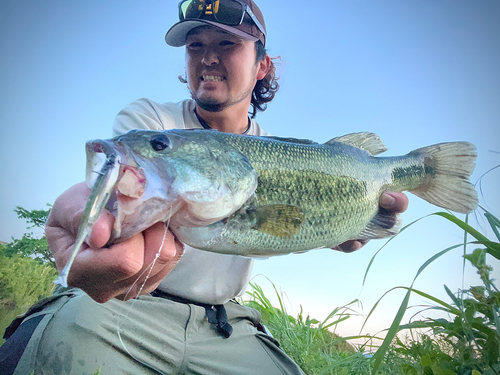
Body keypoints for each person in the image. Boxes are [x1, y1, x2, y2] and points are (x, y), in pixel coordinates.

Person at [0, 1, 409, 374]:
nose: (208, 57)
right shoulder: (149, 121)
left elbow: (285, 226)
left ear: (262, 65)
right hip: (126, 308)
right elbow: (128, 198)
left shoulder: (281, 151)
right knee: (48, 351)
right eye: (195, 45)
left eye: (227, 44)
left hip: (224, 323)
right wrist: (100, 212)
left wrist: (342, 228)